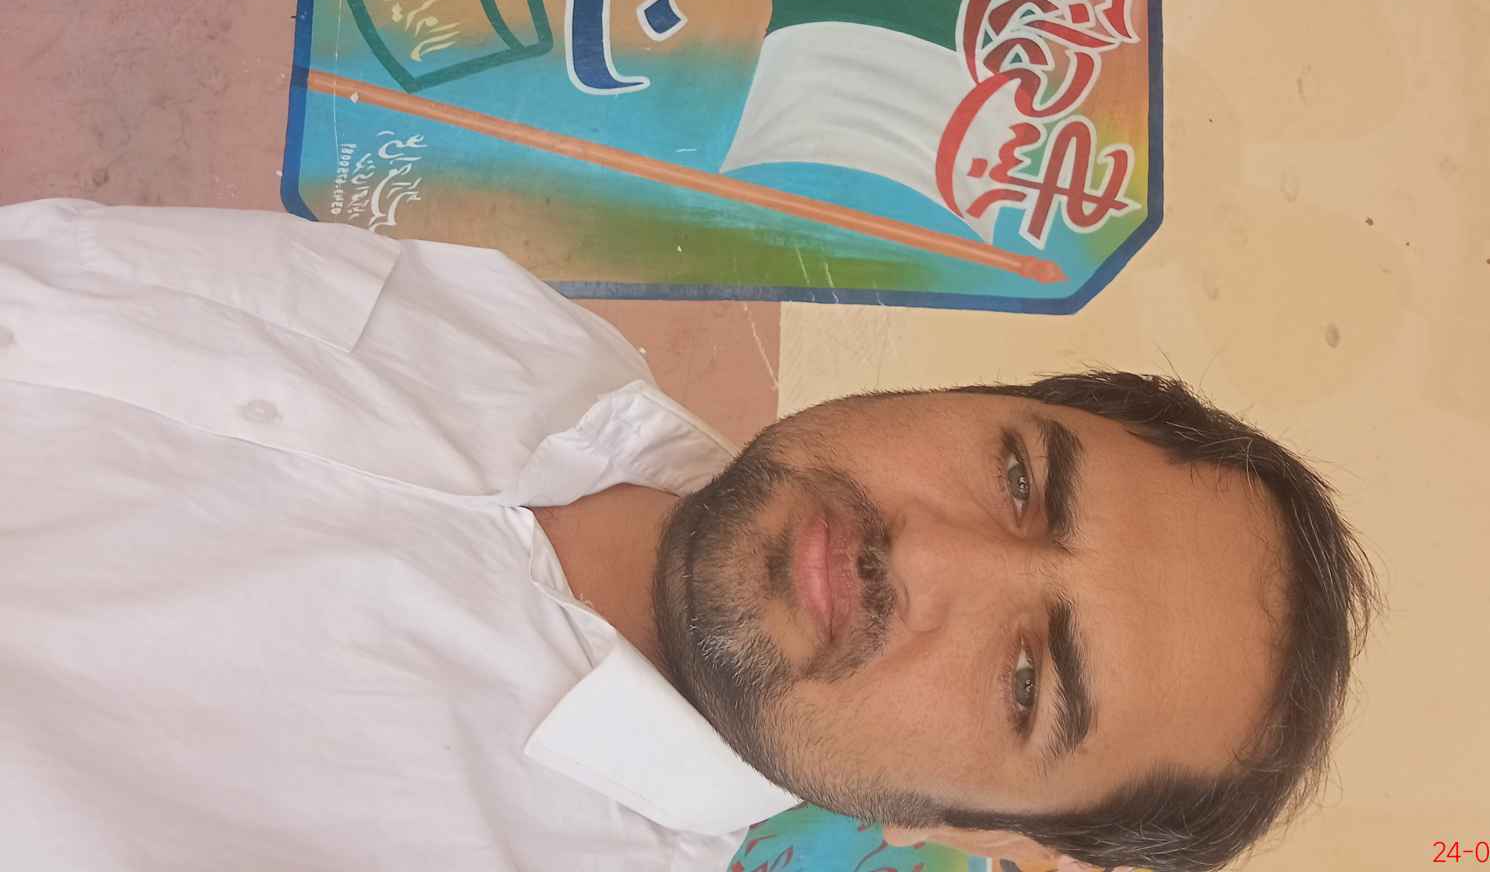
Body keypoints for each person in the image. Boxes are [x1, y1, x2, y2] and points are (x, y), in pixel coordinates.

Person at [0, 199, 1376, 872]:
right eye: (1019, 475)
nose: (930, 553)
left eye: (1028, 680)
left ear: (965, 829)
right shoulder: (540, 345)